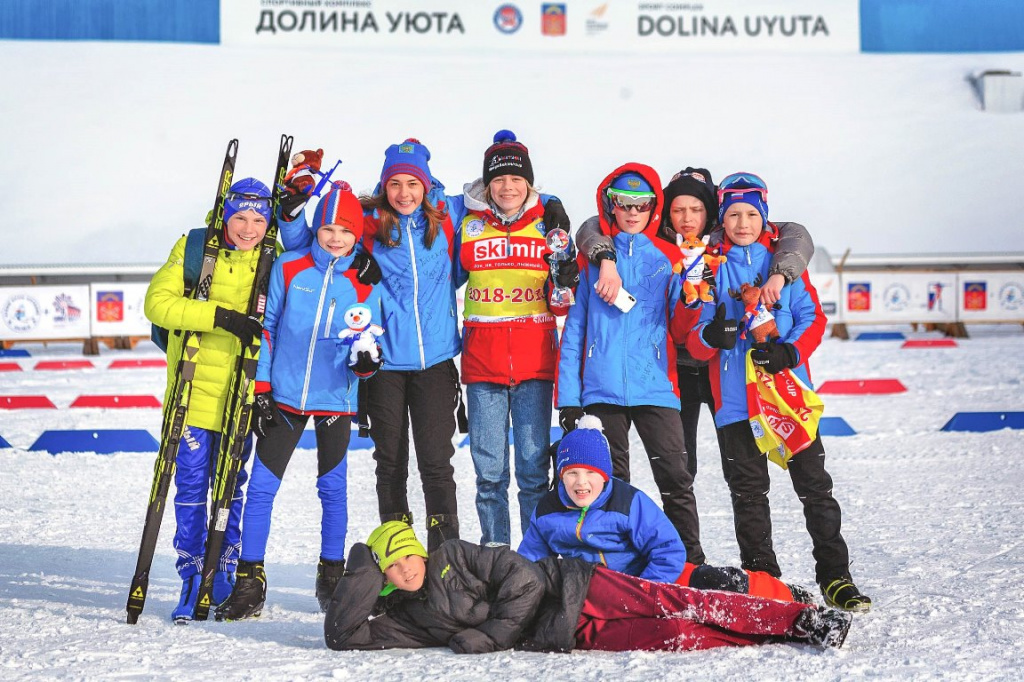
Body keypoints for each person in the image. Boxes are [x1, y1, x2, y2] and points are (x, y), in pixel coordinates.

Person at [685, 172, 871, 612]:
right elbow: (693, 338)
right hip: (735, 403)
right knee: (749, 497)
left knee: (815, 489)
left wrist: (790, 352)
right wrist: (714, 335)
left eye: (751, 213)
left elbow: (814, 320)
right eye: (733, 214)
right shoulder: (707, 266)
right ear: (721, 219)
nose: (743, 222)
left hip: (788, 399)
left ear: (764, 217)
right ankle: (764, 582)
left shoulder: (783, 265)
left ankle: (835, 578)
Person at [574, 167, 815, 478]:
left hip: (720, 366)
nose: (687, 219)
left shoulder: (727, 239)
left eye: (697, 210)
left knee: (739, 463)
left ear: (711, 212)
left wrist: (783, 272)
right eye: (678, 210)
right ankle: (679, 527)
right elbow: (593, 225)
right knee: (681, 467)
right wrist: (604, 256)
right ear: (665, 212)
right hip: (678, 368)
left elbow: (796, 234)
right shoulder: (658, 241)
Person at [215, 182, 383, 621]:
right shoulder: (289, 267)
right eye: (327, 227)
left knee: (333, 488)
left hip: (335, 399)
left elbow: (369, 341)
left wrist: (365, 364)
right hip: (285, 397)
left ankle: (331, 577)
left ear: (356, 234)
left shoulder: (366, 280)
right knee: (263, 488)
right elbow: (267, 327)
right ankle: (250, 580)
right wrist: (263, 387)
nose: (335, 238)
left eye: (345, 231)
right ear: (316, 229)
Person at [323, 521, 852, 653]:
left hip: (575, 586)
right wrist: (362, 566)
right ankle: (776, 634)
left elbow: (523, 578)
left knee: (681, 602)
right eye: (391, 567)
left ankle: (796, 618)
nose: (405, 569)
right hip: (566, 634)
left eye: (406, 556)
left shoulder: (452, 555)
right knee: (677, 638)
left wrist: (491, 636)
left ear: (421, 549)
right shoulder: (407, 619)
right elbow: (342, 635)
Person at [556, 163, 705, 568]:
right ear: (611, 204)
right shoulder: (594, 261)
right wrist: (569, 398)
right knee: (612, 485)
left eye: (642, 205)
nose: (633, 212)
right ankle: (617, 564)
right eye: (623, 203)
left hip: (655, 386)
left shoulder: (671, 258)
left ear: (654, 208)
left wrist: (693, 300)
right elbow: (575, 334)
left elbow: (681, 327)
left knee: (676, 479)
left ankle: (689, 562)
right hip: (601, 392)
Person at [143, 177, 273, 622]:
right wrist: (221, 318)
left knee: (230, 488)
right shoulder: (196, 248)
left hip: (241, 394)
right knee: (192, 489)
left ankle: (224, 570)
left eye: (259, 218)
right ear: (224, 214)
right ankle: (192, 576)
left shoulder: (273, 259)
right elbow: (157, 304)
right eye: (240, 216)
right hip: (192, 394)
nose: (248, 227)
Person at [519, 415, 811, 602]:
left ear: (605, 474)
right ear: (560, 475)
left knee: (718, 582)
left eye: (590, 473)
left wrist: (644, 590)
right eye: (571, 474)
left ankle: (785, 596)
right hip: (595, 592)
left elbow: (668, 551)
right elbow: (530, 562)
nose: (581, 483)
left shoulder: (627, 502)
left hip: (653, 578)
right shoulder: (548, 511)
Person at [455, 130, 579, 546]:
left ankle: (534, 557)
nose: (508, 187)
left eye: (516, 179)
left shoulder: (549, 224)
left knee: (531, 471)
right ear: (487, 184)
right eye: (499, 179)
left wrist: (566, 275)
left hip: (534, 363)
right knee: (489, 474)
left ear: (529, 183)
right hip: (482, 363)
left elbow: (561, 304)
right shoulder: (467, 223)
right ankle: (495, 555)